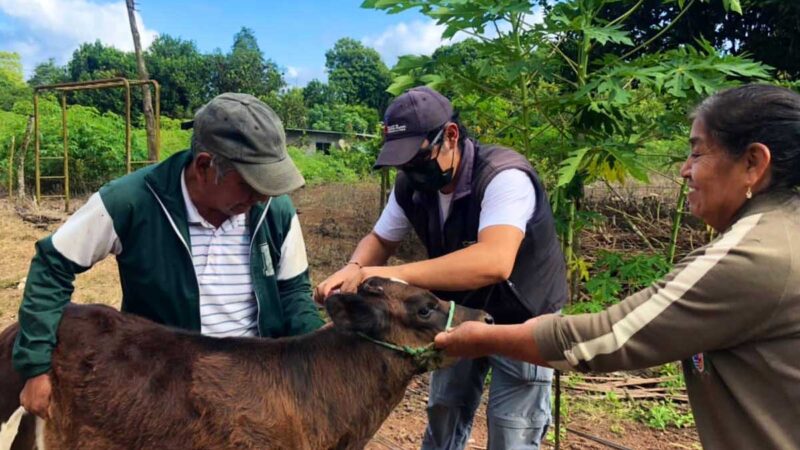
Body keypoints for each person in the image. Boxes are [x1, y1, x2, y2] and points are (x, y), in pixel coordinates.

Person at [435, 84, 800, 449]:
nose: (685, 170)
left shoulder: (754, 253)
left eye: (697, 152)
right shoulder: (783, 232)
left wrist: (479, 338)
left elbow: (608, 338)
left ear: (753, 162)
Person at [14, 93, 323, 418]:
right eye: (250, 184)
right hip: (162, 384)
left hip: (256, 380)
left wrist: (320, 359)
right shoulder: (132, 202)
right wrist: (36, 366)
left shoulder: (275, 211)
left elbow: (294, 292)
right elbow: (52, 265)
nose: (261, 197)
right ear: (205, 166)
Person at [315, 86, 568, 450]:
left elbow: (494, 261)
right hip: (455, 312)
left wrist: (390, 276)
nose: (410, 171)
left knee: (513, 429)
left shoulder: (503, 175)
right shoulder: (411, 186)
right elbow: (382, 239)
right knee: (445, 411)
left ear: (450, 135)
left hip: (522, 315)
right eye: (402, 164)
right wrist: (354, 266)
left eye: (416, 160)